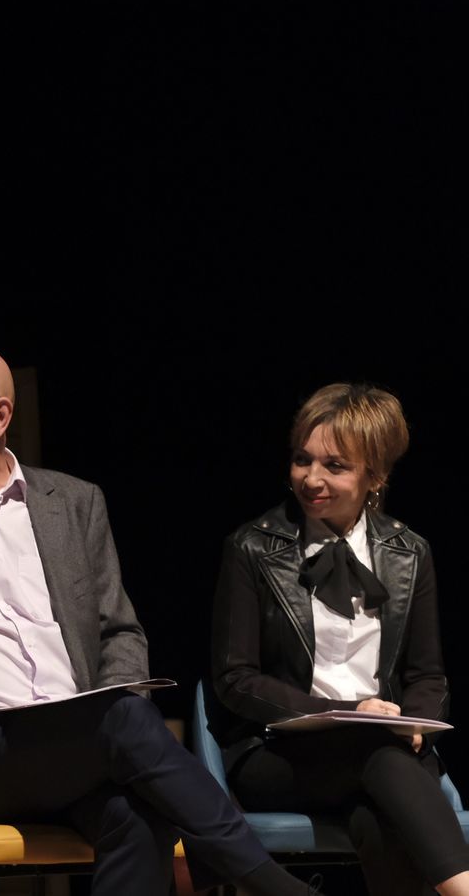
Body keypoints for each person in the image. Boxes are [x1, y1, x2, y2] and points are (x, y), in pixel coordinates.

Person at [0, 342, 316, 896]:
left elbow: (118, 631)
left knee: (136, 813)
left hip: (74, 742)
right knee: (124, 720)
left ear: (0, 415)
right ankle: (264, 880)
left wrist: (113, 730)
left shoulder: (73, 502)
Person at [211, 382, 469, 895]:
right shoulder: (252, 547)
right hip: (278, 754)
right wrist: (345, 712)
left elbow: (427, 675)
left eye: (334, 466)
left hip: (382, 756)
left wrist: (417, 725)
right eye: (302, 460)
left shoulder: (409, 552)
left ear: (376, 475)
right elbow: (235, 679)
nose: (311, 479)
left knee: (380, 818)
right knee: (380, 756)